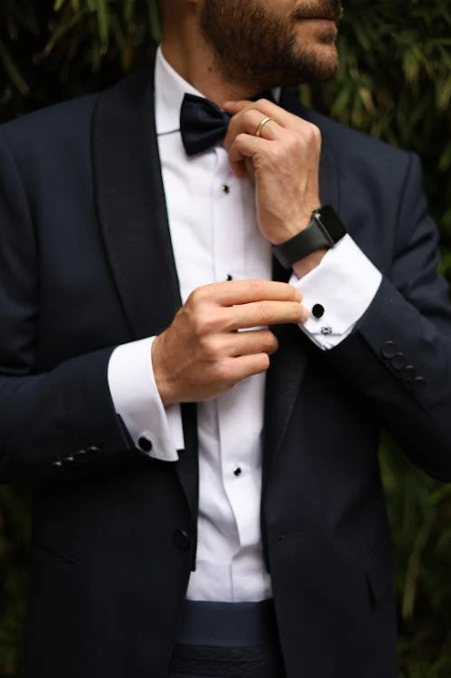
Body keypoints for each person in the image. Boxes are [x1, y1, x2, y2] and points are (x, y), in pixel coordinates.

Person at [0, 0, 450, 676]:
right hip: (103, 646)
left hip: (329, 652)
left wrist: (313, 237)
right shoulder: (28, 164)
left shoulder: (382, 179)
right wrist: (149, 377)